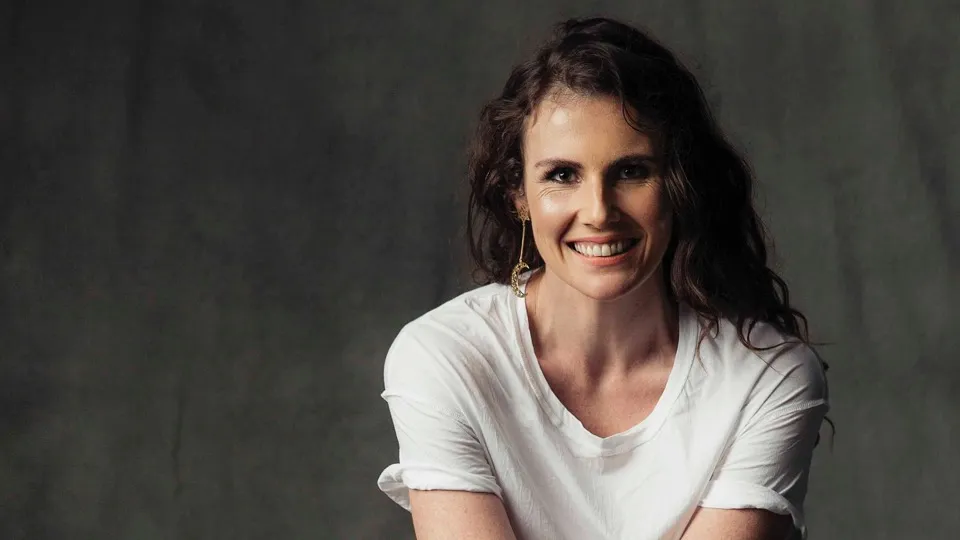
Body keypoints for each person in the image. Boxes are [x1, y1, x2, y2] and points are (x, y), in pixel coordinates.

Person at [376, 16, 830, 540]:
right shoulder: (445, 357)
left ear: (680, 185)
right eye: (562, 175)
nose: (598, 212)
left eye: (632, 171)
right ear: (518, 194)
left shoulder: (765, 379)